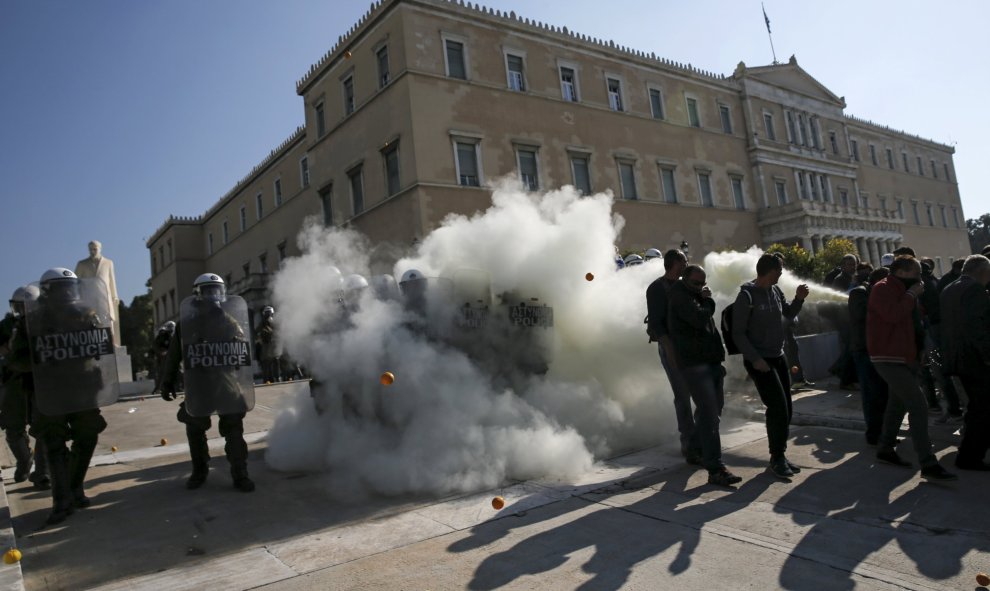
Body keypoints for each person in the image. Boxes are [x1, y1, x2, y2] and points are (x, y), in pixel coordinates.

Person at [28, 268, 114, 524]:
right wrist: (44, 357)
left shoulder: (86, 315)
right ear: (48, 291)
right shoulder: (35, 320)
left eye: (69, 287)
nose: (67, 292)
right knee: (53, 444)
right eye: (61, 287)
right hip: (51, 390)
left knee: (87, 436)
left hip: (83, 388)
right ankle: (61, 501)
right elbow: (18, 358)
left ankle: (74, 487)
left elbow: (102, 346)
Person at [161, 273, 255, 492]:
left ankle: (240, 474)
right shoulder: (186, 325)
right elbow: (174, 355)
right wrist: (167, 382)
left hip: (225, 382)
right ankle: (199, 470)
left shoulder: (230, 322)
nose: (213, 295)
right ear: (198, 294)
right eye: (208, 291)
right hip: (199, 383)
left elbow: (242, 353)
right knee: (194, 427)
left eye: (216, 290)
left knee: (233, 427)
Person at [867, 256, 956, 480]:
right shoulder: (882, 288)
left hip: (906, 357)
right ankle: (928, 463)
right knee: (919, 405)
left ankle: (885, 449)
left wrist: (919, 349)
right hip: (887, 357)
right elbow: (893, 315)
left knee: (897, 405)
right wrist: (910, 295)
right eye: (916, 274)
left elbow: (914, 321)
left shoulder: (909, 292)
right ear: (902, 272)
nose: (919, 279)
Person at [732, 254, 809, 479]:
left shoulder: (775, 291)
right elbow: (738, 333)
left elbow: (788, 314)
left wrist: (799, 299)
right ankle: (777, 457)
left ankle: (780, 455)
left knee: (787, 408)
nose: (782, 273)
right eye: (780, 270)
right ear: (771, 271)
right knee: (777, 407)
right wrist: (755, 359)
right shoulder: (746, 296)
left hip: (777, 356)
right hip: (760, 360)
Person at [667, 265, 740, 486]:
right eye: (696, 283)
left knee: (713, 412)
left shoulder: (692, 296)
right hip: (695, 366)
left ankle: (695, 449)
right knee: (709, 416)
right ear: (685, 280)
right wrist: (707, 300)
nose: (700, 287)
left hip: (709, 363)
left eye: (702, 283)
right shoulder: (681, 297)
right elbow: (699, 319)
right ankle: (715, 468)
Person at [645, 249, 699, 464]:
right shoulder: (657, 288)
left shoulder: (685, 286)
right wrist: (670, 353)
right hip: (672, 347)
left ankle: (699, 438)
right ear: (675, 264)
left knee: (699, 393)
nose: (686, 265)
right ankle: (688, 441)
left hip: (690, 346)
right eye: (684, 261)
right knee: (682, 395)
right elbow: (658, 326)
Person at [939, 255, 990, 470]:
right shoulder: (975, 290)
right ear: (982, 272)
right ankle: (970, 456)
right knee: (983, 409)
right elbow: (976, 329)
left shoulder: (950, 288)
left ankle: (970, 452)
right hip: (973, 359)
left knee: (976, 407)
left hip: (957, 357)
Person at [0, 285, 49, 489]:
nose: (21, 311)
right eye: (18, 307)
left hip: (39, 383)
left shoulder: (45, 323)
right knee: (13, 428)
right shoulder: (7, 325)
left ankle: (42, 471)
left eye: (24, 306)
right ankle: (24, 460)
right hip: (14, 383)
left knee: (45, 429)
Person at [849, 267, 890, 445]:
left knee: (884, 393)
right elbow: (861, 315)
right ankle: (874, 434)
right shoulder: (859, 293)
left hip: (881, 349)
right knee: (871, 394)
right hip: (864, 350)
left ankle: (886, 431)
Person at [257, 306, 280, 383]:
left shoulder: (262, 322)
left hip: (266, 346)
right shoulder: (273, 321)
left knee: (267, 363)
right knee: (274, 361)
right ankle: (276, 378)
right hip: (271, 345)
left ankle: (267, 379)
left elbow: (257, 333)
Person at [151, 321, 175, 393]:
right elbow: (156, 345)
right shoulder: (163, 334)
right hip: (162, 357)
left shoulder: (169, 335)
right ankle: (158, 389)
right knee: (162, 373)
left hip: (167, 356)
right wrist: (162, 351)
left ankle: (173, 388)